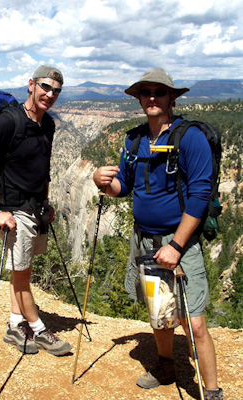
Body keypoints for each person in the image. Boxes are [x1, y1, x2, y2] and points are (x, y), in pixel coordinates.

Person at [93, 68, 223, 399]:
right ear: (139, 99)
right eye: (146, 92)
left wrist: (177, 246)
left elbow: (200, 193)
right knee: (160, 313)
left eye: (159, 92)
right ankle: (166, 367)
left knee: (193, 323)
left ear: (172, 98)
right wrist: (103, 183)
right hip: (144, 239)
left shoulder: (189, 137)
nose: (152, 97)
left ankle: (212, 392)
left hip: (178, 242)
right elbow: (125, 187)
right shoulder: (134, 139)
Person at [0, 65, 71, 356]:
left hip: (35, 208)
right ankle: (38, 329)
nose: (50, 94)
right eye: (45, 87)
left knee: (23, 270)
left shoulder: (47, 124)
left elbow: (43, 169)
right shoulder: (7, 122)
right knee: (22, 273)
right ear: (31, 85)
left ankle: (15, 324)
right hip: (13, 211)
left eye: (56, 91)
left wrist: (46, 203)